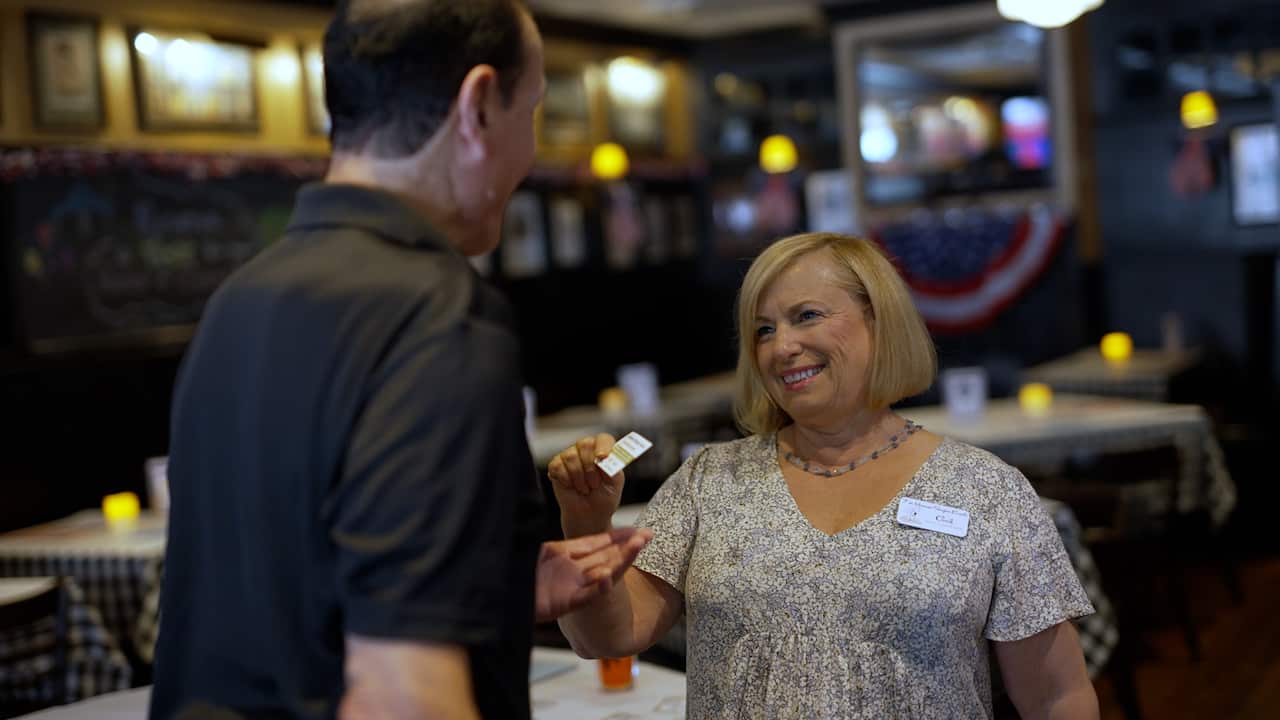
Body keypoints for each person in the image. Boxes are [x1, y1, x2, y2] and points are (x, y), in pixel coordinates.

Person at [150, 2, 651, 719]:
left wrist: (486, 590)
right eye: (532, 111)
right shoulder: (437, 315)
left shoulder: (239, 299)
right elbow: (403, 696)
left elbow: (280, 598)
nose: (532, 150)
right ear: (479, 106)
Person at [549, 232, 1100, 719]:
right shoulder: (708, 482)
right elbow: (607, 637)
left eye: (807, 316)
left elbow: (1057, 698)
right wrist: (586, 522)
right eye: (763, 330)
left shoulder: (986, 490)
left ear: (879, 320)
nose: (782, 347)